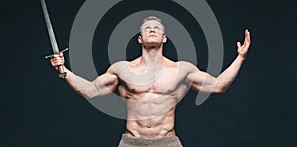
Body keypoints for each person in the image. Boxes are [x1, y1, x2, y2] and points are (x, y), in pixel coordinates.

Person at [50, 16, 251, 147]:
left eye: (157, 28)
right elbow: (91, 90)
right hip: (132, 142)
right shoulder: (123, 69)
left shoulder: (181, 70)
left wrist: (240, 58)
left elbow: (218, 86)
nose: (152, 30)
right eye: (147, 28)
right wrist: (63, 70)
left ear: (164, 38)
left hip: (168, 142)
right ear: (139, 38)